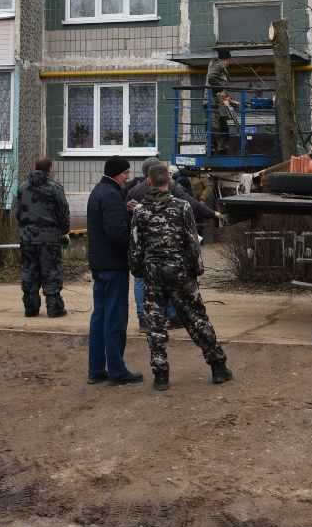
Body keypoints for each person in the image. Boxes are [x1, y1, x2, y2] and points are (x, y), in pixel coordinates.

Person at [129, 162, 231, 391]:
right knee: (197, 319)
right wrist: (196, 270)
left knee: (155, 325)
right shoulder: (183, 207)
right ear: (169, 182)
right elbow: (192, 242)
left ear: (148, 182)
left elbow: (135, 247)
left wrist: (140, 271)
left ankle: (161, 376)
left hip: (153, 274)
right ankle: (218, 368)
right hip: (181, 273)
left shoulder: (140, 211)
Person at [129, 157, 215, 330]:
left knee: (143, 286)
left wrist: (136, 267)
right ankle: (173, 317)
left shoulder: (135, 194)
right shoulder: (180, 202)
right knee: (172, 288)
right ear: (168, 178)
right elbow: (192, 239)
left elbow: (134, 237)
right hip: (172, 257)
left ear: (147, 177)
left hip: (148, 259)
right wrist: (211, 213)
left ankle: (144, 319)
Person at [85, 156, 143, 386]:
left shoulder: (99, 191)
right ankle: (117, 371)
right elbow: (117, 235)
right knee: (115, 318)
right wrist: (134, 226)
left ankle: (96, 369)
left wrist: (125, 211)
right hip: (113, 265)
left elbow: (108, 223)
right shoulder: (110, 195)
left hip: (100, 263)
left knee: (99, 316)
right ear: (116, 173)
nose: (128, 177)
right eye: (126, 173)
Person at [12, 157, 70, 318]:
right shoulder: (55, 188)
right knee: (51, 270)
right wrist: (64, 231)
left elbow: (18, 212)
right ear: (49, 169)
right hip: (49, 237)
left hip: (27, 237)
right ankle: (54, 308)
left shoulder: (23, 188)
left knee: (29, 270)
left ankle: (30, 308)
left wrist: (25, 227)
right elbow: (63, 212)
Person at [207, 48, 240, 155]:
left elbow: (221, 92)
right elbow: (212, 78)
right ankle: (212, 150)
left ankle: (222, 149)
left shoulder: (218, 66)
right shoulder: (218, 65)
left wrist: (232, 101)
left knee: (223, 128)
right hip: (213, 102)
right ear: (227, 59)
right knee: (215, 128)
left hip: (218, 102)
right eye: (229, 60)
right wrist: (221, 86)